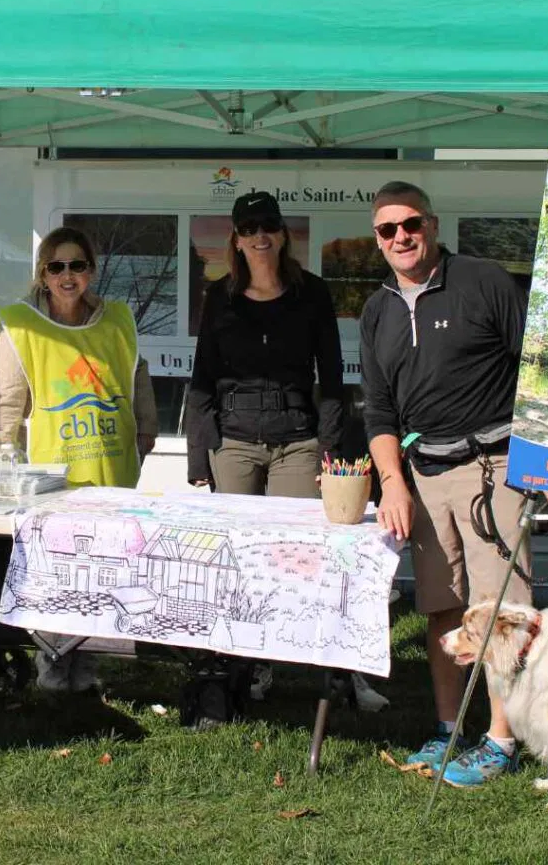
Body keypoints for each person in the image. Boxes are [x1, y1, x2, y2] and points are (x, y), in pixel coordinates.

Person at [360, 180, 548, 787]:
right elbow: (378, 411)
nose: (401, 237)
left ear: (432, 223)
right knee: (441, 607)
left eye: (411, 225)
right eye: (387, 230)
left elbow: (539, 377)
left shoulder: (483, 281)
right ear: (377, 240)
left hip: (495, 467)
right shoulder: (377, 310)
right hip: (424, 475)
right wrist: (392, 485)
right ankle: (448, 728)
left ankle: (501, 740)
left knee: (503, 612)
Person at [186, 191, 388, 711]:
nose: (259, 236)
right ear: (235, 238)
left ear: (283, 234)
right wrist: (197, 456)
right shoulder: (219, 297)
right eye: (249, 227)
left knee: (302, 560)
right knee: (236, 563)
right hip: (233, 444)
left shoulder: (312, 293)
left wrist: (328, 450)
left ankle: (343, 672)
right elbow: (202, 377)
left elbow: (331, 376)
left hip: (297, 442)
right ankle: (251, 666)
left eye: (268, 226)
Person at [0, 224, 158, 692]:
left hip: (112, 465)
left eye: (77, 266)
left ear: (91, 271)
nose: (68, 275)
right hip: (53, 475)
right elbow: (4, 403)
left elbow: (137, 376)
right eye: (57, 266)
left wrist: (146, 432)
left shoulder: (118, 320)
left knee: (106, 566)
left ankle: (88, 661)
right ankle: (53, 662)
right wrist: (1, 459)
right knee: (58, 569)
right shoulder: (22, 327)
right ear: (43, 273)